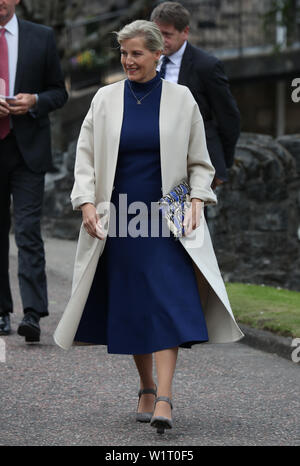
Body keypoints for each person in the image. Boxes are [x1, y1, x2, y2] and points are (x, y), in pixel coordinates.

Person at [54, 20, 243, 434]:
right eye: (123, 53)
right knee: (135, 304)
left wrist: (197, 198)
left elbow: (200, 162)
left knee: (166, 301)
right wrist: (85, 202)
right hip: (120, 216)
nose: (128, 61)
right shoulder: (104, 99)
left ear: (159, 54)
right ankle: (145, 386)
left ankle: (166, 397)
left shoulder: (182, 99)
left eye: (136, 53)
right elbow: (84, 159)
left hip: (169, 216)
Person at [0, 0, 68, 341]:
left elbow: (60, 92)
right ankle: (1, 310)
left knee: (27, 230)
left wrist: (36, 101)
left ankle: (32, 314)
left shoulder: (40, 36)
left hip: (29, 151)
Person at [150, 1, 241, 190]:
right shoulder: (144, 59)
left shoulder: (206, 66)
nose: (161, 40)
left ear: (185, 32)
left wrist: (221, 162)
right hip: (151, 157)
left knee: (190, 218)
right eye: (157, 33)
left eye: (167, 34)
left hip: (190, 160)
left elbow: (228, 117)